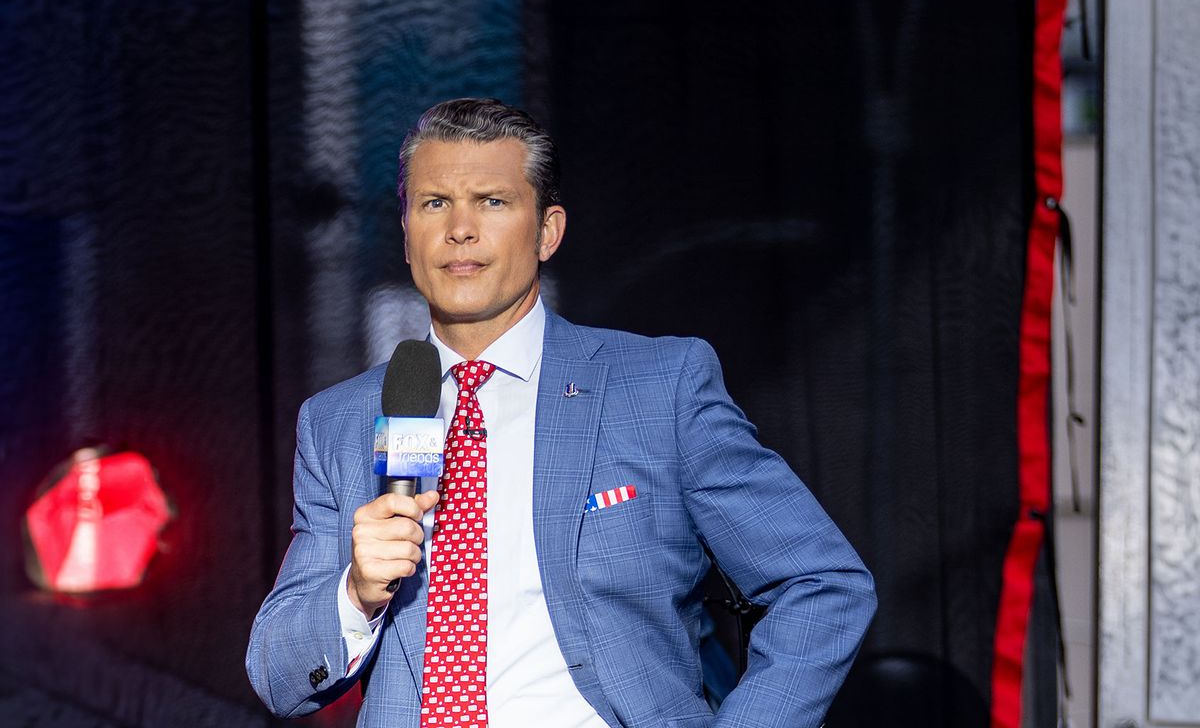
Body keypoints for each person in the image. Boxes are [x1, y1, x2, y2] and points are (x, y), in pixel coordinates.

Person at [246, 98, 876, 728]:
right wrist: (355, 593)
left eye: (492, 201)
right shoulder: (338, 423)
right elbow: (279, 679)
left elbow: (822, 583)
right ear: (407, 233)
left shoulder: (657, 388)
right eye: (435, 203)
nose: (459, 228)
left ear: (547, 231)